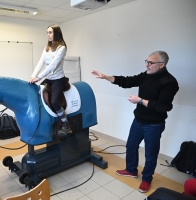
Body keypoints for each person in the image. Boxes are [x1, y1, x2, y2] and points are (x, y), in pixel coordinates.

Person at [91, 51, 179, 193]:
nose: (146, 65)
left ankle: (146, 179)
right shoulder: (146, 75)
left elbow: (163, 107)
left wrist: (140, 101)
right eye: (146, 61)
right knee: (131, 146)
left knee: (151, 154)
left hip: (154, 125)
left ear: (161, 65)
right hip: (138, 120)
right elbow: (127, 81)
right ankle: (131, 170)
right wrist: (106, 77)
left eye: (150, 63)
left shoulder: (169, 82)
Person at [28, 24, 72, 137]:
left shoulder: (61, 48)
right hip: (49, 79)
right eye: (47, 32)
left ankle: (65, 123)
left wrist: (38, 78)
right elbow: (40, 63)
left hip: (58, 80)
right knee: (37, 94)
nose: (48, 34)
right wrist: (33, 76)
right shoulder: (46, 48)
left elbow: (52, 66)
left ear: (56, 33)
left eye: (50, 32)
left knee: (54, 102)